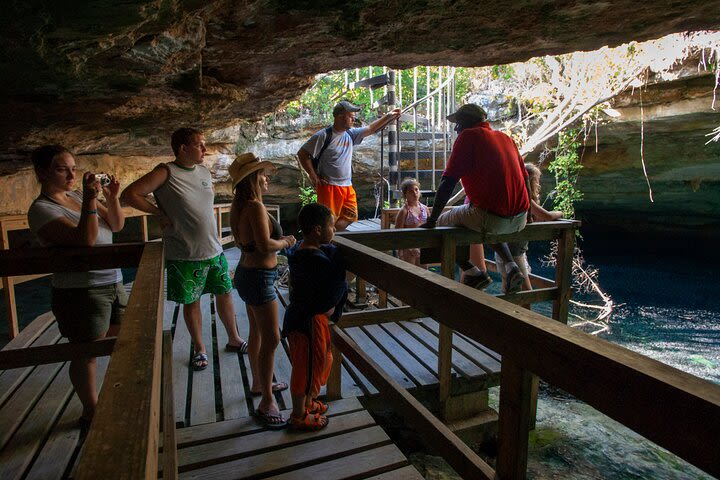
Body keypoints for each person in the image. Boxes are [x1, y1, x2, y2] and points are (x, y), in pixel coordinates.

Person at [120, 128, 247, 372]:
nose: (204, 149)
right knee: (192, 302)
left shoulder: (203, 171)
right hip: (185, 253)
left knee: (225, 293)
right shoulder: (166, 172)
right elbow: (131, 194)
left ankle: (234, 338)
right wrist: (159, 213)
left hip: (213, 248)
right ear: (182, 148)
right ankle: (200, 348)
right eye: (199, 145)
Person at [27, 144, 127, 432]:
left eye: (73, 168)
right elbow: (86, 238)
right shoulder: (41, 210)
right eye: (62, 169)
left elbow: (117, 225)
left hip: (113, 281)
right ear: (43, 172)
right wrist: (90, 203)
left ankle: (111, 397)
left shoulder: (79, 195)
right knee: (86, 351)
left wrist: (112, 197)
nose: (71, 174)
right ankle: (91, 411)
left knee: (120, 343)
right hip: (81, 290)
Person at [422, 103, 530, 294]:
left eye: (458, 123)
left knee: (442, 224)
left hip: (491, 218)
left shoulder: (468, 137)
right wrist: (528, 213)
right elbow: (526, 179)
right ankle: (511, 266)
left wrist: (431, 220)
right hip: (519, 220)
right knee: (480, 216)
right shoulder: (506, 138)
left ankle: (472, 272)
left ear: (467, 122)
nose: (456, 128)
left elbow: (448, 182)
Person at [228, 152, 297, 430]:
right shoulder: (254, 207)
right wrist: (287, 241)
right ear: (253, 179)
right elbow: (266, 245)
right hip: (259, 277)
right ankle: (267, 401)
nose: (267, 178)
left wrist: (273, 241)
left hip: (247, 273)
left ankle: (259, 383)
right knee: (272, 339)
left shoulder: (239, 205)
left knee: (256, 333)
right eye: (263, 174)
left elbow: (250, 243)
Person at [282, 203, 347, 431]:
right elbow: (333, 284)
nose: (334, 231)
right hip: (307, 322)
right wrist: (339, 262)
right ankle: (299, 415)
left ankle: (309, 403)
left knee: (320, 360)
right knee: (307, 367)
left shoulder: (303, 251)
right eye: (332, 226)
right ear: (318, 230)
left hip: (304, 318)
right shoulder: (314, 260)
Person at [297, 100, 401, 231]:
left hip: (347, 186)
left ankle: (332, 237)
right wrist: (313, 176)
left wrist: (389, 116)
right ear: (340, 116)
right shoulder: (324, 136)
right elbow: (302, 154)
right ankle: (327, 243)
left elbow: (370, 129)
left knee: (351, 216)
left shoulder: (350, 134)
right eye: (351, 116)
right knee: (328, 220)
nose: (354, 119)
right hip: (329, 187)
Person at [495, 163, 563, 295]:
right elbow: (547, 216)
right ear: (530, 182)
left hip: (506, 250)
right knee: (526, 293)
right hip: (513, 253)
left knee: (509, 291)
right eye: (537, 180)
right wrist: (560, 213)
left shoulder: (516, 199)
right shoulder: (526, 199)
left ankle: (506, 315)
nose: (539, 184)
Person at [395, 178, 429, 267]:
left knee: (424, 275)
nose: (415, 193)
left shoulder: (425, 209)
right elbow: (397, 234)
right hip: (408, 247)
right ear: (405, 194)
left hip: (423, 246)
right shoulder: (404, 211)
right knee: (409, 276)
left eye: (416, 189)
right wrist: (410, 248)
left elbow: (431, 228)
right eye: (411, 191)